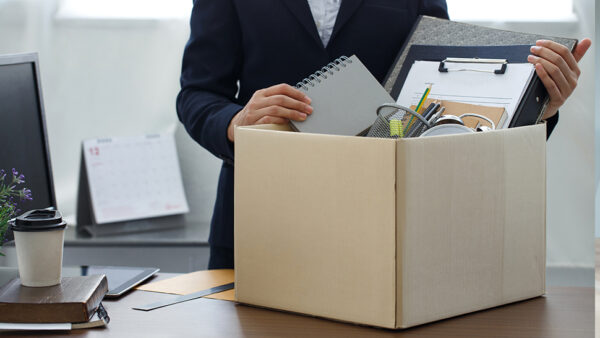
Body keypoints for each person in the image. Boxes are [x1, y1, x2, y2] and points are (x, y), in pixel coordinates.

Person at [176, 0, 590, 269]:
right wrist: (234, 123)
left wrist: (538, 106)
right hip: (258, 219)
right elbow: (198, 93)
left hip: (382, 225)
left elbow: (440, 96)